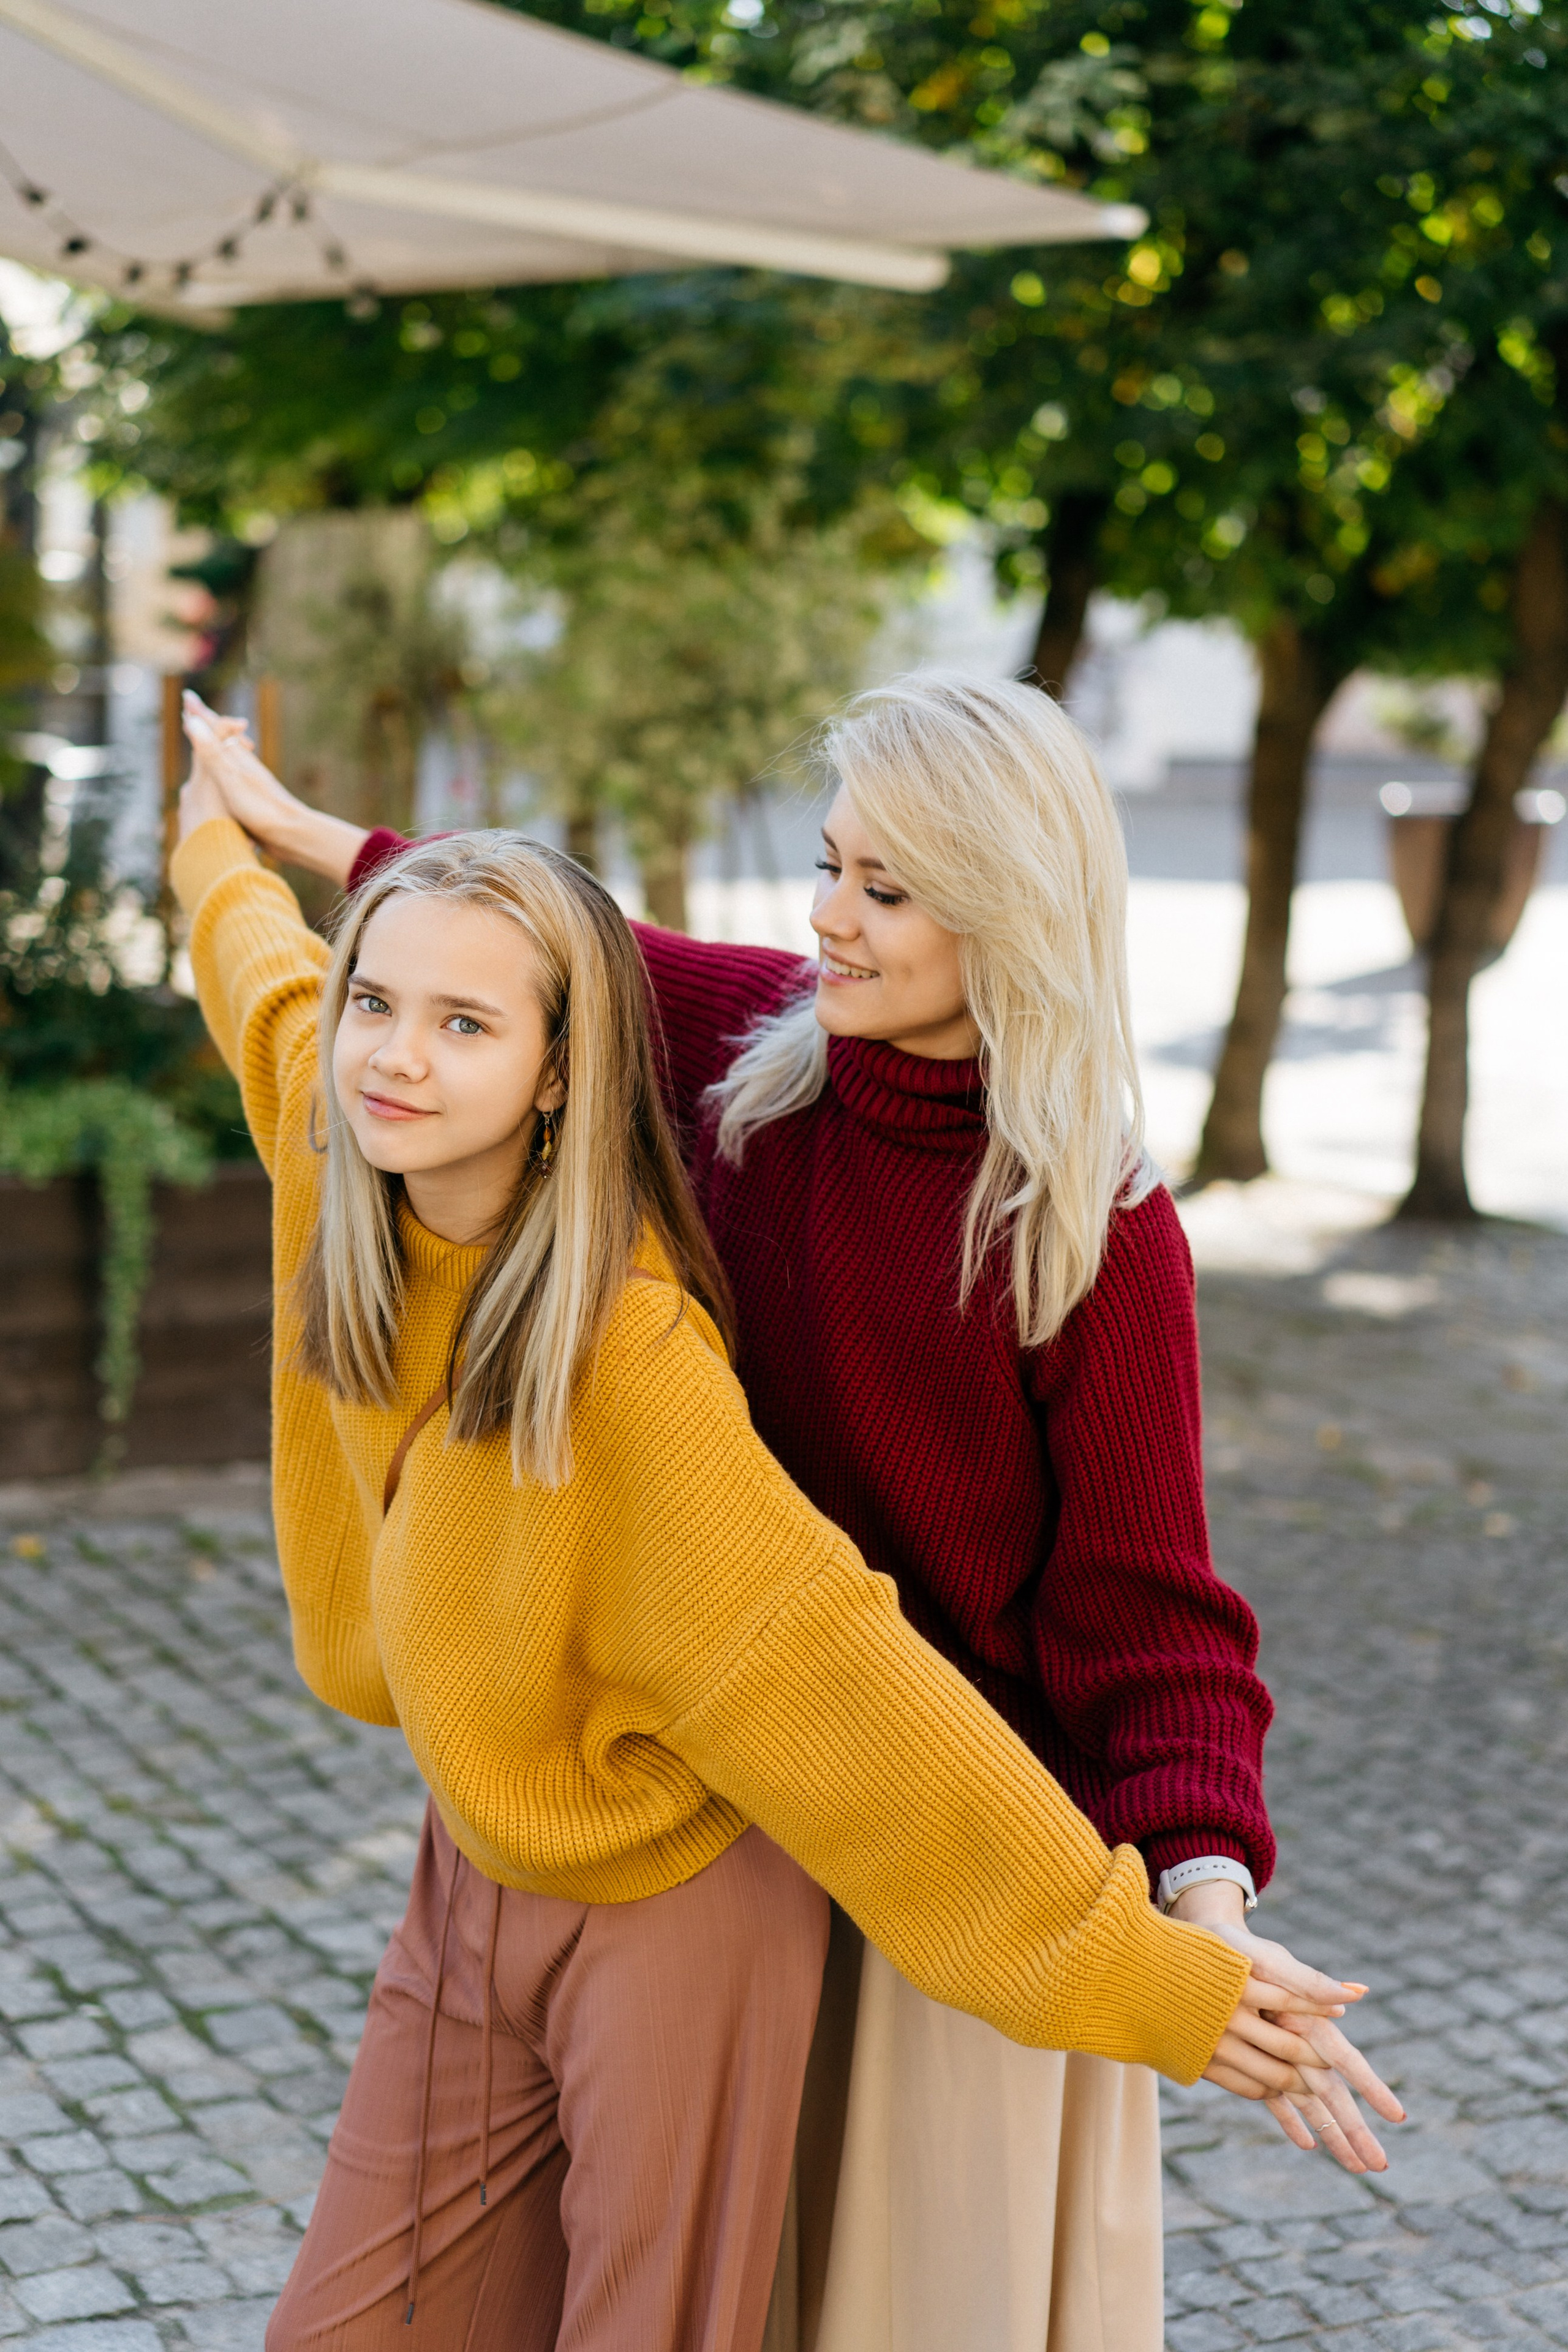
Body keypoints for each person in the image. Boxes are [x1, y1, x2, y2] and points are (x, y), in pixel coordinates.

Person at [179, 680, 1400, 2352]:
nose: (829, 916)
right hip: (725, 1789)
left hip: (965, 1846)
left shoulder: (1090, 1231)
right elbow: (525, 951)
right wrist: (278, 829)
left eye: (886, 889)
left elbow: (1149, 1612)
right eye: (831, 864)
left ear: (1010, 907)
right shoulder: (763, 1050)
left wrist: (1202, 1911)